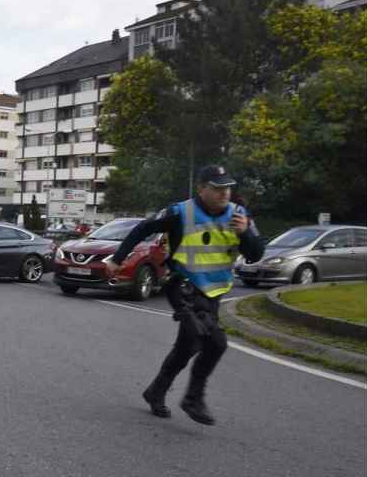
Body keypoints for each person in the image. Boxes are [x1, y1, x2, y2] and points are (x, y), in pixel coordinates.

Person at [103, 165, 265, 425]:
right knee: (216, 342)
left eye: (227, 188)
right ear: (201, 189)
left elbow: (256, 254)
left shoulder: (240, 216)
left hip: (214, 292)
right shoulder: (181, 212)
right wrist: (118, 258)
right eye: (217, 188)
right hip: (184, 286)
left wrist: (245, 232)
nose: (224, 193)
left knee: (187, 347)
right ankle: (193, 397)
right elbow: (143, 229)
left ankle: (155, 391)